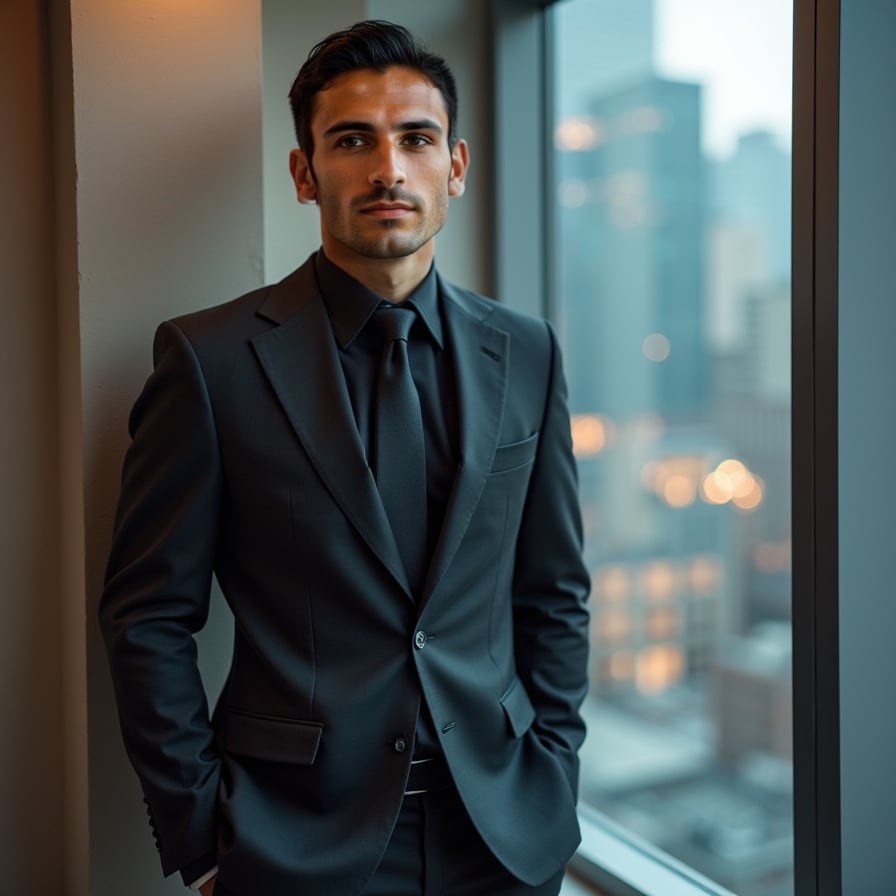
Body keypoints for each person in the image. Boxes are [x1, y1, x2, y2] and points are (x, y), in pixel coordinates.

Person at [99, 19, 589, 896]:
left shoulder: (529, 351)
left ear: (457, 167)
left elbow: (553, 590)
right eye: (353, 140)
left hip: (505, 837)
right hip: (295, 845)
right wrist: (202, 836)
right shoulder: (209, 364)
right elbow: (147, 619)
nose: (388, 168)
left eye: (416, 138)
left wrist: (553, 770)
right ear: (304, 172)